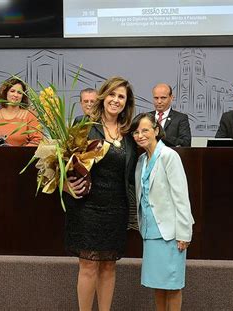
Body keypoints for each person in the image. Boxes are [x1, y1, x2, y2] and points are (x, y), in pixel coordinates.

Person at [64, 76, 137, 311]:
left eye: (121, 97)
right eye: (112, 94)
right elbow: (62, 164)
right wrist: (66, 185)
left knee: (109, 265)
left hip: (116, 208)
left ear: (126, 103)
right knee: (88, 265)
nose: (116, 100)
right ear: (103, 96)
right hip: (87, 207)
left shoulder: (129, 133)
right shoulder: (84, 125)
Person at [130, 112, 194, 311]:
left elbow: (181, 197)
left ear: (156, 131)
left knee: (172, 286)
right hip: (150, 233)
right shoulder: (141, 161)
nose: (140, 135)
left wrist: (184, 233)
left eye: (145, 130)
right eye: (136, 132)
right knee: (157, 285)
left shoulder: (169, 156)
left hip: (171, 233)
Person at [0, 77, 41, 146]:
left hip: (23, 156)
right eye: (12, 91)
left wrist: (18, 153)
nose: (15, 95)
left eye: (19, 93)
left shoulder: (30, 115)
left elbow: (37, 141)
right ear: (5, 93)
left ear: (23, 96)